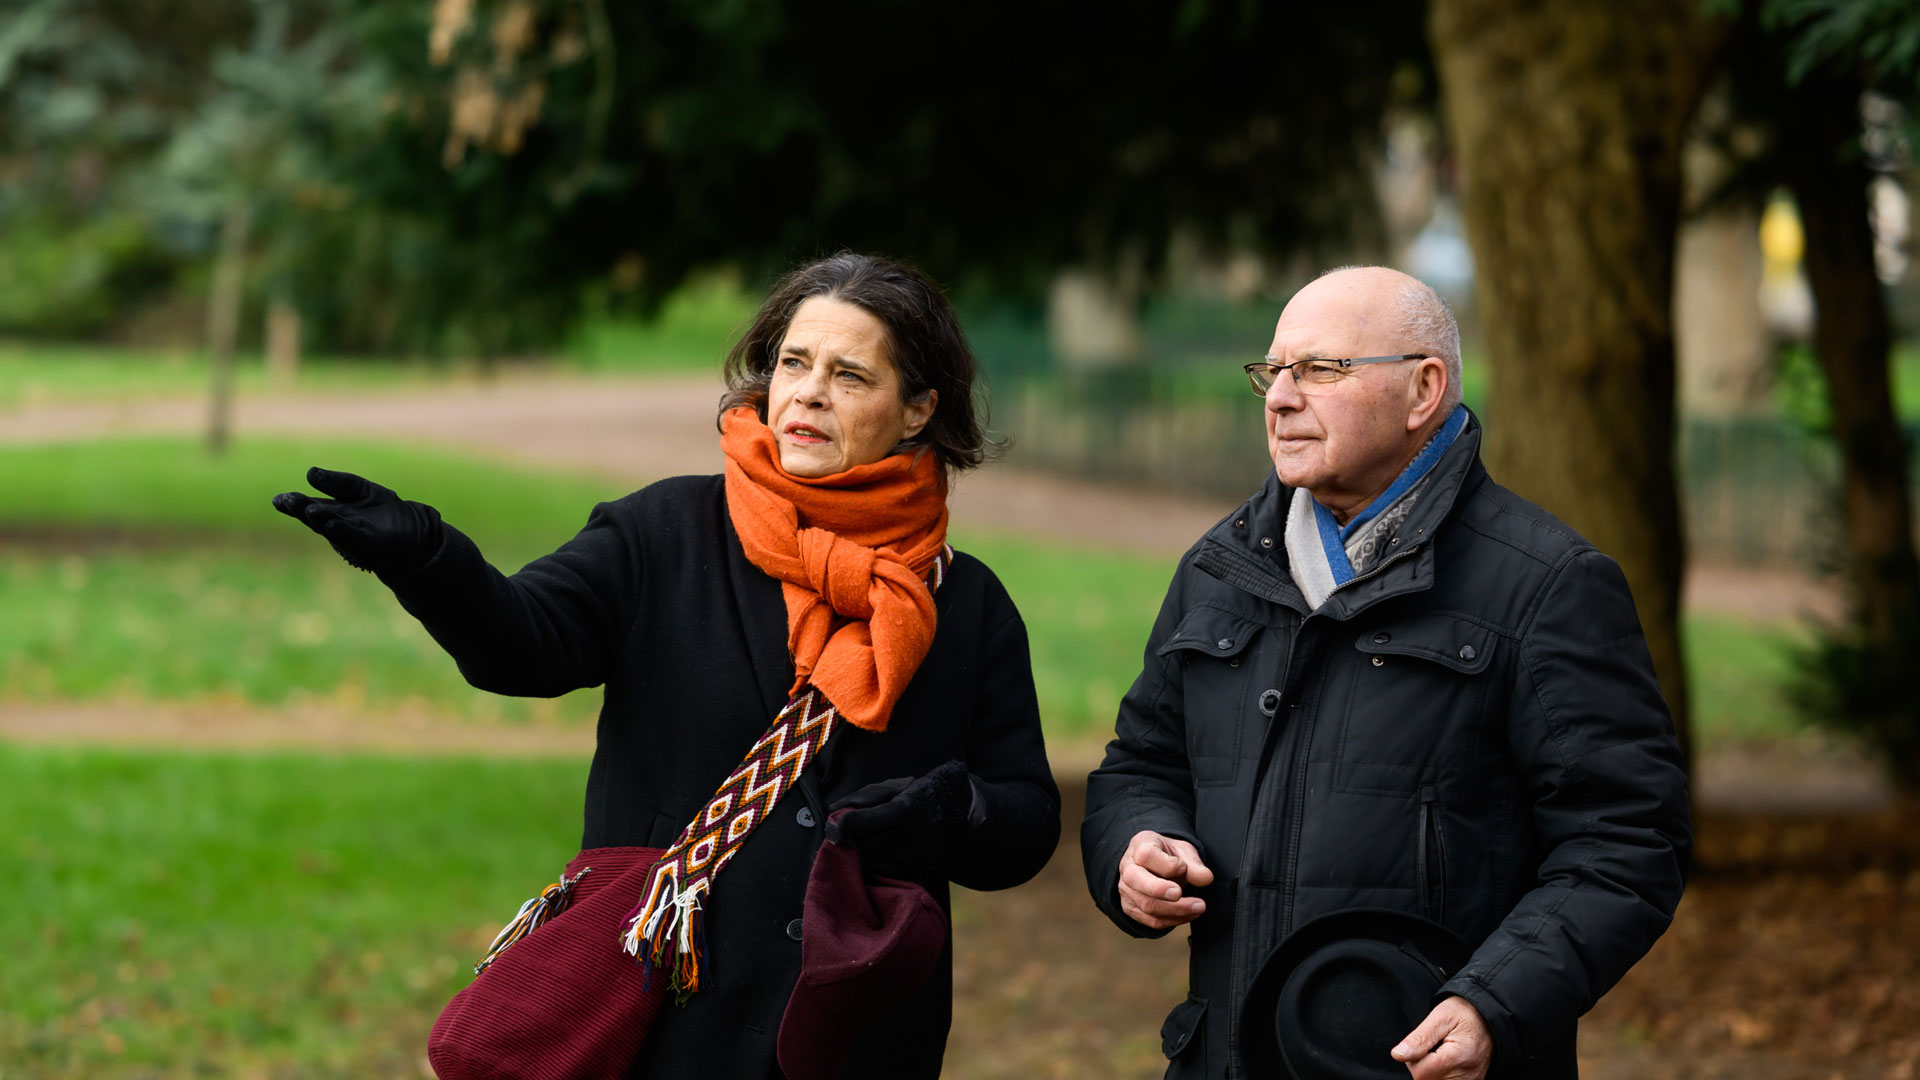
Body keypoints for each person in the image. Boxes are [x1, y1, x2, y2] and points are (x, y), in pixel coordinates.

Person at [274, 252, 1060, 1078]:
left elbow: (1026, 820)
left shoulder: (965, 603)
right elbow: (524, 646)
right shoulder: (665, 531)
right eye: (793, 362)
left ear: (918, 410)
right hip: (663, 1024)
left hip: (859, 1037)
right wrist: (430, 560)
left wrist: (947, 816)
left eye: (850, 375)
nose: (809, 392)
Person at [1080, 266, 1690, 1080]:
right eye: (1273, 371)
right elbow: (1140, 766)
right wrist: (1134, 847)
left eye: (1320, 370)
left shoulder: (1548, 584)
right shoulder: (1219, 569)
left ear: (1423, 390)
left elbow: (1626, 843)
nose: (1281, 397)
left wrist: (1493, 1004)